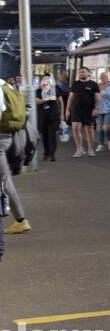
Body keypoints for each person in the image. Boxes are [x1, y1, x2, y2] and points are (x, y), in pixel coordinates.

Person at [0, 75, 31, 235]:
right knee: (4, 179)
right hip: (8, 136)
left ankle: (20, 220)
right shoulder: (6, 86)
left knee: (5, 181)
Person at [65, 66, 99, 158]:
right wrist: (67, 109)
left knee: (89, 130)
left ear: (88, 73)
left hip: (89, 110)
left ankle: (90, 149)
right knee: (75, 129)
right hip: (76, 110)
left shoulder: (94, 84)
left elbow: (98, 98)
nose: (81, 73)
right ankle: (79, 149)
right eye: (80, 72)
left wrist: (96, 108)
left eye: (83, 72)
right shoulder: (75, 84)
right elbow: (70, 97)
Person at [35, 74, 61, 161]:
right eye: (44, 80)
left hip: (53, 116)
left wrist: (62, 114)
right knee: (45, 135)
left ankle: (52, 154)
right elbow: (37, 101)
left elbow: (55, 98)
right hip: (42, 117)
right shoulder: (37, 91)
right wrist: (47, 99)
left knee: (52, 135)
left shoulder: (54, 89)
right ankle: (46, 153)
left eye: (47, 80)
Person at [95, 71, 110, 152]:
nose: (103, 78)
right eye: (102, 77)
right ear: (100, 78)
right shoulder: (97, 86)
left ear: (107, 78)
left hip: (109, 109)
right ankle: (101, 145)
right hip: (99, 109)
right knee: (99, 128)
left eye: (105, 77)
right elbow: (93, 98)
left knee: (105, 128)